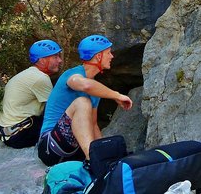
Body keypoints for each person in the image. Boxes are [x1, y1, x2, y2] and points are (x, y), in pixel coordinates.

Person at [37, 34, 133, 167]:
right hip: (50, 147)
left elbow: (93, 126)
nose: (112, 56)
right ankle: (92, 161)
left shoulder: (94, 88)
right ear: (98, 56)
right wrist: (116, 95)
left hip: (72, 151)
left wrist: (104, 152)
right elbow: (85, 86)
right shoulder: (73, 74)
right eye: (108, 53)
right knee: (82, 102)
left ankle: (97, 160)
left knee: (110, 153)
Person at [0, 40, 63, 148]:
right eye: (55, 57)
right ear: (42, 60)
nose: (60, 60)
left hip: (10, 132)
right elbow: (57, 107)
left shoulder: (30, 73)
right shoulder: (40, 78)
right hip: (19, 136)